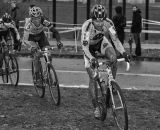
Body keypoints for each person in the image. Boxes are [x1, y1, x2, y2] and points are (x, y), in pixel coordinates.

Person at [81, 4, 129, 119]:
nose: (100, 23)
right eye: (97, 21)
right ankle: (96, 107)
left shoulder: (109, 23)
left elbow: (115, 40)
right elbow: (85, 48)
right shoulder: (87, 26)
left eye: (101, 20)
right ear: (92, 19)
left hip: (102, 42)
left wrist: (123, 52)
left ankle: (110, 85)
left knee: (113, 59)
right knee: (93, 76)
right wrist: (92, 58)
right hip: (88, 49)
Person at [23, 6, 63, 85]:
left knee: (48, 54)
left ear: (41, 16)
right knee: (37, 54)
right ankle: (37, 77)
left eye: (38, 18)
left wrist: (58, 42)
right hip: (31, 38)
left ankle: (46, 75)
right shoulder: (28, 24)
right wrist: (31, 48)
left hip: (41, 36)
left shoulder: (44, 20)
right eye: (34, 18)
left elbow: (55, 32)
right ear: (31, 18)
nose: (37, 20)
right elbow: (24, 40)